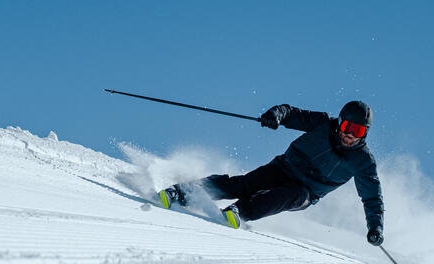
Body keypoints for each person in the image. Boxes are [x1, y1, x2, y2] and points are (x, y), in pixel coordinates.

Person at [159, 100, 385, 246]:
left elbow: (372, 198)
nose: (350, 135)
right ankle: (181, 192)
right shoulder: (322, 124)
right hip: (285, 167)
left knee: (288, 196)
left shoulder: (364, 162)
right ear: (340, 123)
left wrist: (375, 227)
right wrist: (275, 115)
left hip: (306, 191)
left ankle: (240, 211)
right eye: (348, 127)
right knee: (243, 185)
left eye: (359, 131)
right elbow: (291, 112)